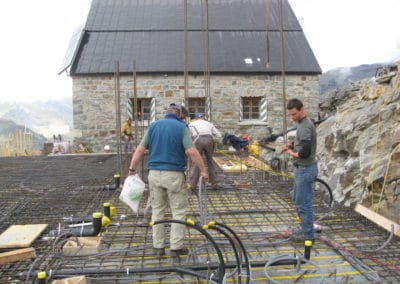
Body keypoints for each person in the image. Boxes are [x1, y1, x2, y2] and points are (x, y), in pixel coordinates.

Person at [128, 104, 208, 256]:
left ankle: (158, 247)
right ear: (180, 115)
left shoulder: (153, 126)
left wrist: (131, 170)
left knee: (157, 211)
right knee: (178, 211)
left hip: (154, 175)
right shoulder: (181, 127)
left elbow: (139, 149)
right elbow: (191, 151)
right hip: (174, 175)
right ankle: (176, 248)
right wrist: (203, 171)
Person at [281, 98, 318, 243]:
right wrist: (291, 145)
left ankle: (308, 235)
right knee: (297, 198)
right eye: (290, 115)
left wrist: (290, 153)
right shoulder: (302, 124)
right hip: (301, 170)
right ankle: (304, 227)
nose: (292, 117)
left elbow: (305, 152)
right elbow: (301, 143)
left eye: (294, 114)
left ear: (302, 110)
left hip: (305, 169)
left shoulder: (305, 126)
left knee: (303, 203)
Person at [189, 113, 222, 194]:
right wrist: (213, 140)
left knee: (196, 161)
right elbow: (218, 135)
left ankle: (193, 185)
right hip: (208, 139)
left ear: (196, 118)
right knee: (210, 161)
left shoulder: (191, 124)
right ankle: (215, 183)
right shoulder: (209, 124)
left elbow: (188, 136)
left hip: (196, 139)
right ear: (204, 117)